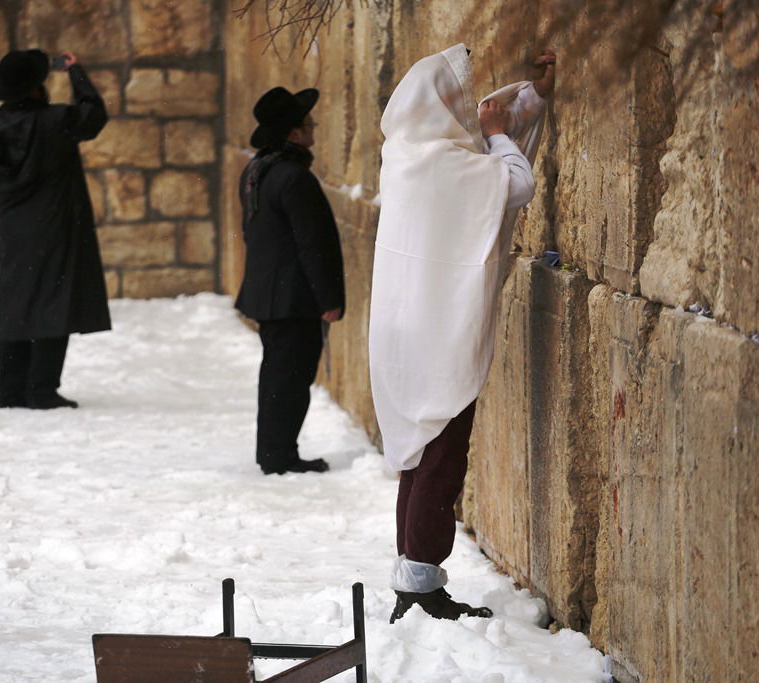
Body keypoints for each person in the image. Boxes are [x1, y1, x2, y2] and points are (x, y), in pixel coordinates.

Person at [369, 44, 556, 622]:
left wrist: (532, 98)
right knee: (442, 458)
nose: (464, 111)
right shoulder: (445, 164)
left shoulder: (408, 151)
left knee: (418, 455)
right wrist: (502, 133)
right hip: (435, 336)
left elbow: (485, 143)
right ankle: (421, 590)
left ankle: (414, 575)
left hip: (404, 332)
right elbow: (513, 181)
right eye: (454, 99)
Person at [0, 49, 110, 410]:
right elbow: (95, 114)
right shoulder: (57, 121)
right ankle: (39, 388)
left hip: (16, 231)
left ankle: (9, 387)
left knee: (16, 304)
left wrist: (10, 216)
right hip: (56, 227)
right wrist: (75, 72)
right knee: (54, 303)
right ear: (36, 88)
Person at [236, 86, 346, 475]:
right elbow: (312, 244)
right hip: (293, 300)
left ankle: (275, 451)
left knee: (278, 377)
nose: (314, 126)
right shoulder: (292, 177)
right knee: (289, 380)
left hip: (271, 295)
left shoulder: (257, 169)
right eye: (308, 123)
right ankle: (279, 455)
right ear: (294, 134)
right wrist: (329, 298)